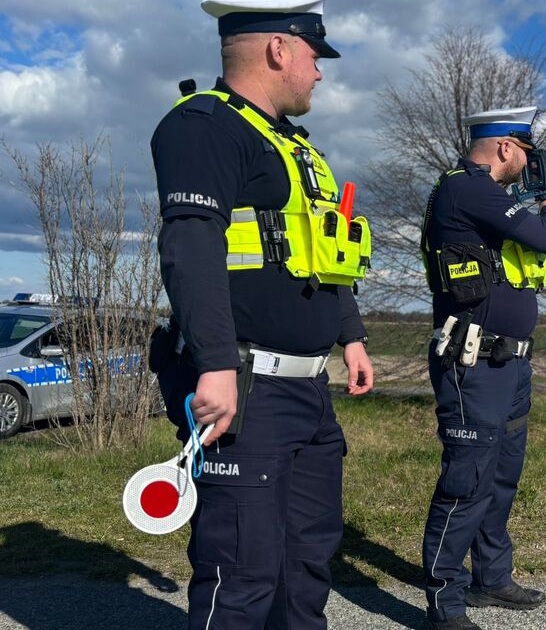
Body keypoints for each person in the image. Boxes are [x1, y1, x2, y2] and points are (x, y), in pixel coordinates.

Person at [149, 1, 373, 628]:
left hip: (309, 391)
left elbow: (326, 255)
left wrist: (350, 337)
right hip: (248, 390)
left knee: (307, 561)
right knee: (242, 569)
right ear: (279, 49)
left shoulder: (295, 149)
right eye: (313, 55)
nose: (319, 72)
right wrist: (215, 365)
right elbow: (190, 246)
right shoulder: (205, 127)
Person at [419, 106, 546, 630]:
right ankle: (447, 604)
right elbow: (544, 237)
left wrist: (538, 206)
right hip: (473, 362)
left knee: (502, 475)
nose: (528, 164)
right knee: (468, 481)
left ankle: (491, 578)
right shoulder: (466, 189)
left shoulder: (493, 199)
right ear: (505, 146)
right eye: (525, 152)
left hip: (509, 364)